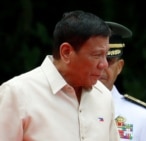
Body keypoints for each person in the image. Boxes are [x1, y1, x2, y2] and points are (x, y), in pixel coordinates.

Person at [0, 10, 119, 141]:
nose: (104, 64)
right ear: (66, 52)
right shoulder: (17, 93)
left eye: (105, 55)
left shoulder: (103, 97)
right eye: (97, 55)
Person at [99, 21, 146, 141]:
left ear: (119, 67)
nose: (101, 66)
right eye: (94, 58)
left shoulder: (141, 117)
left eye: (109, 60)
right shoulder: (64, 108)